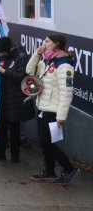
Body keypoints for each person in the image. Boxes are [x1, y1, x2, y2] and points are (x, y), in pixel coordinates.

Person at [27, 33, 81, 185]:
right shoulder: (48, 60)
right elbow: (30, 71)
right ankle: (49, 171)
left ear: (56, 44)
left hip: (53, 110)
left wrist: (61, 116)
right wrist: (37, 54)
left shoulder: (64, 65)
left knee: (46, 142)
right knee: (45, 142)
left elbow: (67, 92)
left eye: (47, 41)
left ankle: (69, 169)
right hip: (42, 107)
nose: (44, 43)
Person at [0, 37, 34, 163]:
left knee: (14, 128)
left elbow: (22, 77)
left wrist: (4, 71)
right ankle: (0, 152)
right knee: (1, 127)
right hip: (2, 96)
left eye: (3, 51)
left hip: (16, 98)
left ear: (8, 49)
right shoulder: (2, 57)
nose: (1, 54)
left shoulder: (22, 57)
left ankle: (15, 155)